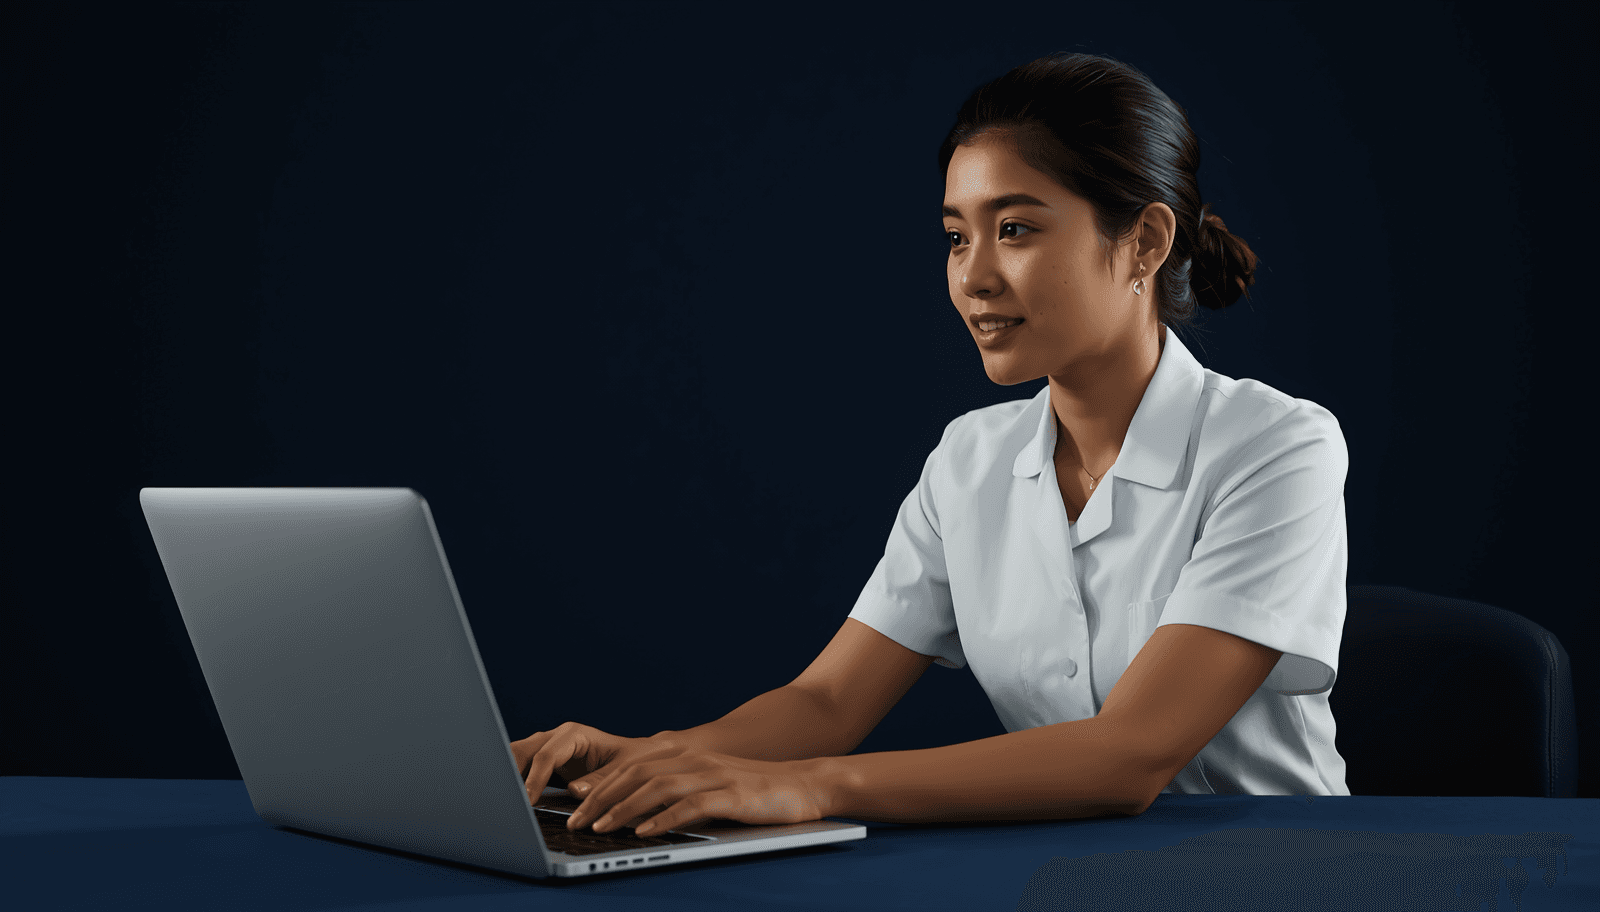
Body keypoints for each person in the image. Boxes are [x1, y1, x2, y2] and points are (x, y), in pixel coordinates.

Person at [512, 51, 1350, 838]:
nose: (974, 276)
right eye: (957, 237)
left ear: (1146, 242)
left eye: (1014, 229)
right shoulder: (970, 461)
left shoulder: (1277, 448)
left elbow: (1128, 755)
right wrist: (640, 759)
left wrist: (816, 788)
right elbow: (826, 703)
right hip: (1073, 872)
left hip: (1279, 873)